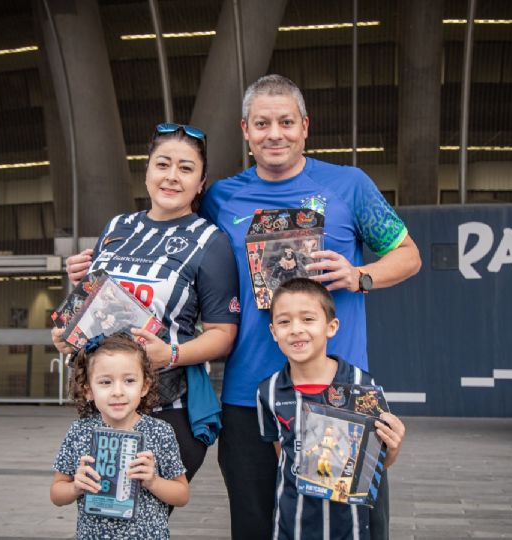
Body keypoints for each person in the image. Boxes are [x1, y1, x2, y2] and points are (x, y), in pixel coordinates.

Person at [199, 74, 421, 539]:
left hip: (336, 395)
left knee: (348, 528)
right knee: (255, 527)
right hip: (250, 396)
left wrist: (360, 276)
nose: (274, 134)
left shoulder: (349, 185)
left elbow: (408, 256)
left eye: (286, 122)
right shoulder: (221, 198)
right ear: (245, 130)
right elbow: (176, 243)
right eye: (262, 123)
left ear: (305, 126)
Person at [57, 123, 240, 487]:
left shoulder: (211, 242)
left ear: (201, 183)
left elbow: (223, 335)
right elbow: (94, 302)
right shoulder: (117, 227)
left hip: (166, 411)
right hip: (106, 408)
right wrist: (68, 332)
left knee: (142, 514)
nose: (172, 176)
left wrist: (170, 354)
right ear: (146, 172)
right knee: (102, 511)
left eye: (186, 168)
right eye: (163, 164)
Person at [256, 278, 407, 539]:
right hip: (293, 525)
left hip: (351, 527)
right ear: (273, 332)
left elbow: (375, 466)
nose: (296, 329)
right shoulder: (268, 391)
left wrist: (393, 447)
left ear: (331, 326)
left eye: (308, 319)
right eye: (284, 322)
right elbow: (283, 457)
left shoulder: (362, 385)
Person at [50, 333, 190, 539]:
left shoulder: (160, 432)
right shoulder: (79, 432)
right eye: (105, 382)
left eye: (129, 380)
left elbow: (182, 495)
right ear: (88, 390)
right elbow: (56, 494)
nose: (118, 391)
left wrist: (153, 481)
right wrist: (75, 487)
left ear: (144, 386)